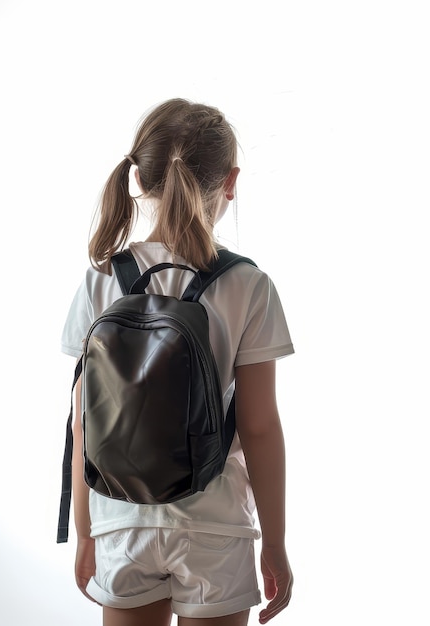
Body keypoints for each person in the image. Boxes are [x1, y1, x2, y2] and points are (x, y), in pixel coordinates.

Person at [61, 98, 294, 626]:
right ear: (230, 181)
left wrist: (86, 533)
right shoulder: (248, 285)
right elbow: (259, 426)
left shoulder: (100, 279)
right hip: (217, 526)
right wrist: (275, 542)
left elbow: (84, 424)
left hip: (121, 522)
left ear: (137, 179)